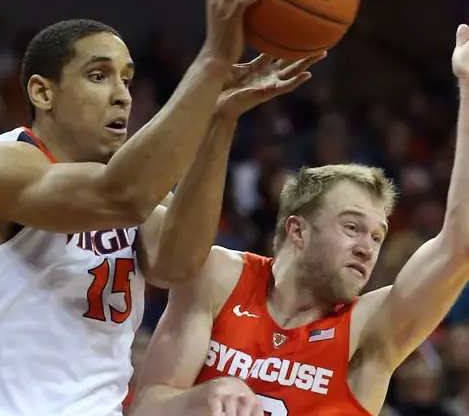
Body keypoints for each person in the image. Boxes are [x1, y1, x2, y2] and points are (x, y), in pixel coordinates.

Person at [0, 0, 322, 416]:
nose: (122, 94)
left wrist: (219, 119)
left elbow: (178, 263)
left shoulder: (125, 186)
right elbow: (121, 197)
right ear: (42, 92)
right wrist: (211, 62)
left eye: (126, 78)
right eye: (99, 75)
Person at [131, 24, 469, 416]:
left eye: (377, 237)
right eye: (352, 227)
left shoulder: (368, 329)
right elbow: (148, 407)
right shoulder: (220, 279)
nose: (367, 248)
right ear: (297, 230)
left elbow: (459, 244)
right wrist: (204, 397)